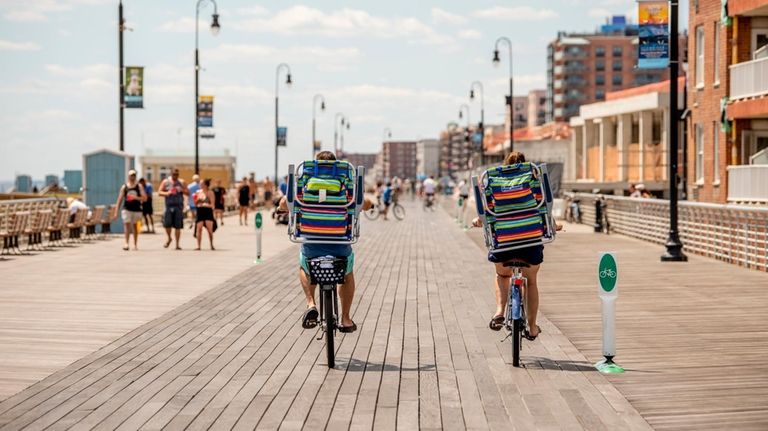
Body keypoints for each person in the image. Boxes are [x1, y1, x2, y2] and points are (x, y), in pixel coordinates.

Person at [278, 151, 374, 333]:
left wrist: (279, 207)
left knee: (305, 266)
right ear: (335, 166)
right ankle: (345, 319)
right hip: (340, 243)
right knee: (347, 273)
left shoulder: (306, 182)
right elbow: (364, 203)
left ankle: (311, 304)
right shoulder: (344, 182)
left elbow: (286, 202)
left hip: (312, 242)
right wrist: (371, 205)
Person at [471, 151, 562, 341]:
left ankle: (499, 312)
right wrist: (554, 226)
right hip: (530, 243)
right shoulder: (534, 180)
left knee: (501, 274)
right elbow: (544, 209)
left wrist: (478, 221)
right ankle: (532, 327)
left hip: (504, 244)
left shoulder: (494, 182)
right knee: (532, 282)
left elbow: (487, 213)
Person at [114, 169, 146, 251]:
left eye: (134, 175)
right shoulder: (124, 187)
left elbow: (145, 198)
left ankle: (135, 244)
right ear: (128, 176)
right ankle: (126, 243)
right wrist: (116, 212)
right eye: (131, 175)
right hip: (127, 208)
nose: (132, 177)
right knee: (126, 225)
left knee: (135, 227)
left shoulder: (139, 186)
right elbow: (119, 200)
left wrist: (135, 197)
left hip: (136, 209)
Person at [158, 168, 188, 250]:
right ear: (171, 174)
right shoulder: (166, 182)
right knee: (167, 225)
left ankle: (177, 244)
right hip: (168, 206)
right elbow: (159, 192)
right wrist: (168, 193)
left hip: (178, 206)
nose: (175, 176)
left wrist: (181, 190)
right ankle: (169, 238)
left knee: (178, 226)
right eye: (174, 174)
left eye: (177, 174)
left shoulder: (181, 182)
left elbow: (188, 193)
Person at [193, 178, 216, 250]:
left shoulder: (210, 193)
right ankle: (198, 246)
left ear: (206, 185)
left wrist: (205, 204)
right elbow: (196, 203)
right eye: (200, 184)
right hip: (200, 211)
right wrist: (196, 201)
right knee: (199, 229)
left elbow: (212, 204)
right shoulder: (198, 192)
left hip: (207, 211)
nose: (200, 185)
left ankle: (211, 244)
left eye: (202, 184)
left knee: (209, 229)